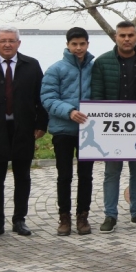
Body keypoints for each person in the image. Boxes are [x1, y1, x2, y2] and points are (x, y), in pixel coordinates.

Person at [0, 28, 46, 239]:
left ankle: (19, 220)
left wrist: (41, 124)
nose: (7, 44)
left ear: (18, 43)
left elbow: (41, 97)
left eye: (11, 41)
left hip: (24, 129)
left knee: (22, 177)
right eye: (3, 41)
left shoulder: (31, 65)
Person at [90, 20, 136, 231]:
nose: (126, 39)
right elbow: (97, 95)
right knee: (112, 172)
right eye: (122, 35)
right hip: (112, 127)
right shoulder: (102, 62)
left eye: (130, 35)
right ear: (116, 37)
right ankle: (110, 215)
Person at [41, 27, 96, 236]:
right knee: (64, 176)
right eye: (74, 44)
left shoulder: (95, 68)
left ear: (88, 44)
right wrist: (69, 111)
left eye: (82, 44)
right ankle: (64, 217)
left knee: (86, 176)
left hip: (88, 131)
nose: (78, 48)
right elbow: (47, 98)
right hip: (63, 129)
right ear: (67, 45)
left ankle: (83, 215)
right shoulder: (56, 69)